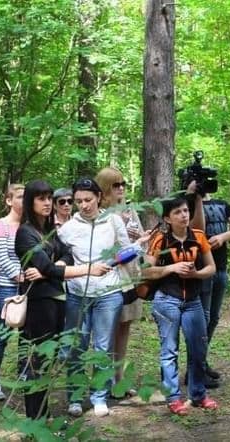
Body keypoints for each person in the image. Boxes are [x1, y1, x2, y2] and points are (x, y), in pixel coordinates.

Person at [14, 180, 107, 420]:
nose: (47, 203)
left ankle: (42, 419)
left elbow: (66, 254)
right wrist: (88, 270)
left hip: (56, 302)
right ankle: (35, 422)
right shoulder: (25, 232)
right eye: (41, 198)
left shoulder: (48, 231)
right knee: (37, 363)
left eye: (49, 198)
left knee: (49, 361)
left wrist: (49, 269)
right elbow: (48, 266)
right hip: (37, 306)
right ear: (30, 202)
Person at [57, 177, 128, 418]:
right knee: (76, 346)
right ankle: (75, 396)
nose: (83, 205)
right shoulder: (68, 228)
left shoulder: (113, 220)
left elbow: (126, 251)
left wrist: (125, 259)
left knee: (102, 346)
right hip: (78, 295)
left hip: (108, 294)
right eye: (78, 201)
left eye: (88, 199)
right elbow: (62, 258)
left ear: (98, 197)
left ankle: (99, 396)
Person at [142, 196, 219, 416]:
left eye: (186, 211)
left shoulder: (199, 237)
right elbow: (145, 271)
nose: (184, 215)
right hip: (167, 299)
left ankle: (198, 394)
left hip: (193, 300)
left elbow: (211, 268)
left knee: (198, 348)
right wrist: (172, 268)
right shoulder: (160, 240)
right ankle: (173, 397)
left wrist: (196, 273)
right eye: (177, 212)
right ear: (167, 218)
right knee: (169, 351)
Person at [95, 167, 150, 397]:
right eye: (116, 185)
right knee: (107, 332)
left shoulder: (130, 210)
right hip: (109, 279)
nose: (121, 189)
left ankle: (120, 379)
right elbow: (101, 251)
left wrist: (141, 239)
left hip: (130, 277)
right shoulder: (98, 214)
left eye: (123, 184)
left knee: (124, 328)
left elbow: (139, 246)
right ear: (105, 189)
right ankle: (103, 380)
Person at [197, 184, 230, 388]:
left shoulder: (221, 204)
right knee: (203, 318)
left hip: (221, 269)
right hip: (201, 270)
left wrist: (222, 237)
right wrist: (195, 197)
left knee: (214, 318)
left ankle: (201, 361)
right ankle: (196, 368)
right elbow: (195, 229)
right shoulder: (188, 204)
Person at [0, 183, 24, 401]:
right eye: (19, 197)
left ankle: (25, 374)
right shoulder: (1, 226)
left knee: (27, 335)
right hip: (8, 286)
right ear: (9, 200)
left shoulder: (31, 225)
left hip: (31, 286)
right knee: (3, 333)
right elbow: (2, 258)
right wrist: (21, 276)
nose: (23, 201)